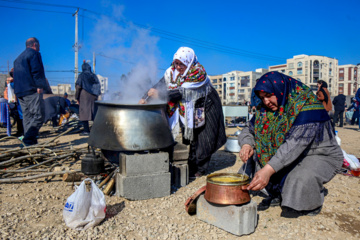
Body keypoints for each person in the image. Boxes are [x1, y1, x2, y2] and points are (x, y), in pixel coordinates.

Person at [238, 72, 343, 218]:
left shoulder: (305, 104)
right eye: (262, 98)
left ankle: (312, 201)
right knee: (258, 157)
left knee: (298, 179)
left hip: (317, 154)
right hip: (288, 154)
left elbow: (296, 144)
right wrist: (246, 145)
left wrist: (268, 170)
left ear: (279, 89)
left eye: (269, 95)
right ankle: (278, 192)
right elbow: (248, 131)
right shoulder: (264, 110)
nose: (266, 101)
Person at [142, 47, 226, 178]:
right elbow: (159, 85)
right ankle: (191, 165)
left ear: (189, 62)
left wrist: (160, 94)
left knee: (203, 137)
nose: (179, 66)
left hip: (206, 105)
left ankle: (201, 169)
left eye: (182, 64)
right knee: (190, 136)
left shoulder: (198, 73)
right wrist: (144, 97)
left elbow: (181, 92)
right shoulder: (171, 72)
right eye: (176, 63)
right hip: (187, 107)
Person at [13, 37, 46, 146]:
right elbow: (37, 70)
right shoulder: (34, 54)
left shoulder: (18, 58)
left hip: (20, 92)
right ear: (35, 44)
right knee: (39, 116)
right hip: (31, 90)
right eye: (39, 45)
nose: (40, 48)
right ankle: (27, 140)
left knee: (27, 117)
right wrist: (40, 85)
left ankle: (31, 143)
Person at [75, 61, 101, 136]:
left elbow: (78, 87)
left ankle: (86, 130)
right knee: (94, 113)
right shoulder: (94, 76)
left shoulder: (81, 76)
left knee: (84, 113)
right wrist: (97, 95)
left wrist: (77, 97)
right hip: (93, 96)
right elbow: (98, 86)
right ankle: (96, 130)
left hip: (84, 96)